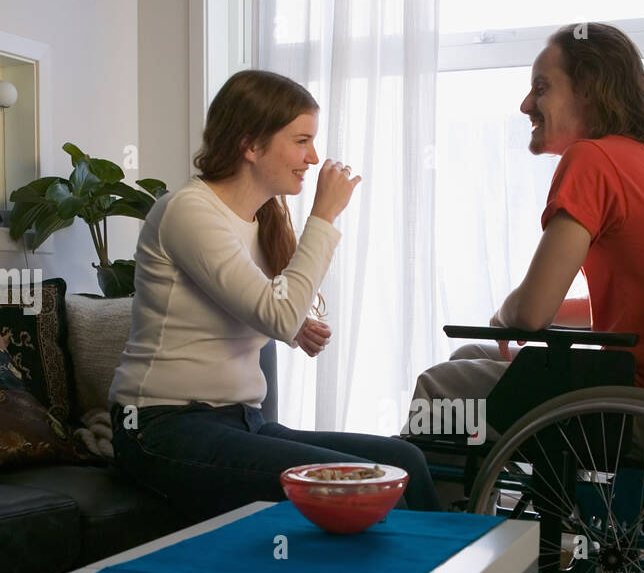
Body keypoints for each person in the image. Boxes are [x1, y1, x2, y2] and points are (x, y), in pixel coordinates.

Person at [109, 69, 441, 517]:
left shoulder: (259, 217)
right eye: (301, 140)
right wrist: (323, 215)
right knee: (364, 480)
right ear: (250, 145)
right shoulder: (189, 210)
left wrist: (297, 322)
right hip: (161, 427)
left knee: (406, 460)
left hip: (240, 420)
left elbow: (261, 304)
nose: (314, 156)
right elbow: (276, 314)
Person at [406, 21, 644, 420]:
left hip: (631, 404)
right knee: (468, 355)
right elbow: (636, 303)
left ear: (587, 90)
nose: (524, 106)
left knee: (439, 389)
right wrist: (547, 308)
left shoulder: (592, 159)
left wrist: (506, 311)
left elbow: (530, 315)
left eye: (541, 88)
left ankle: (428, 482)